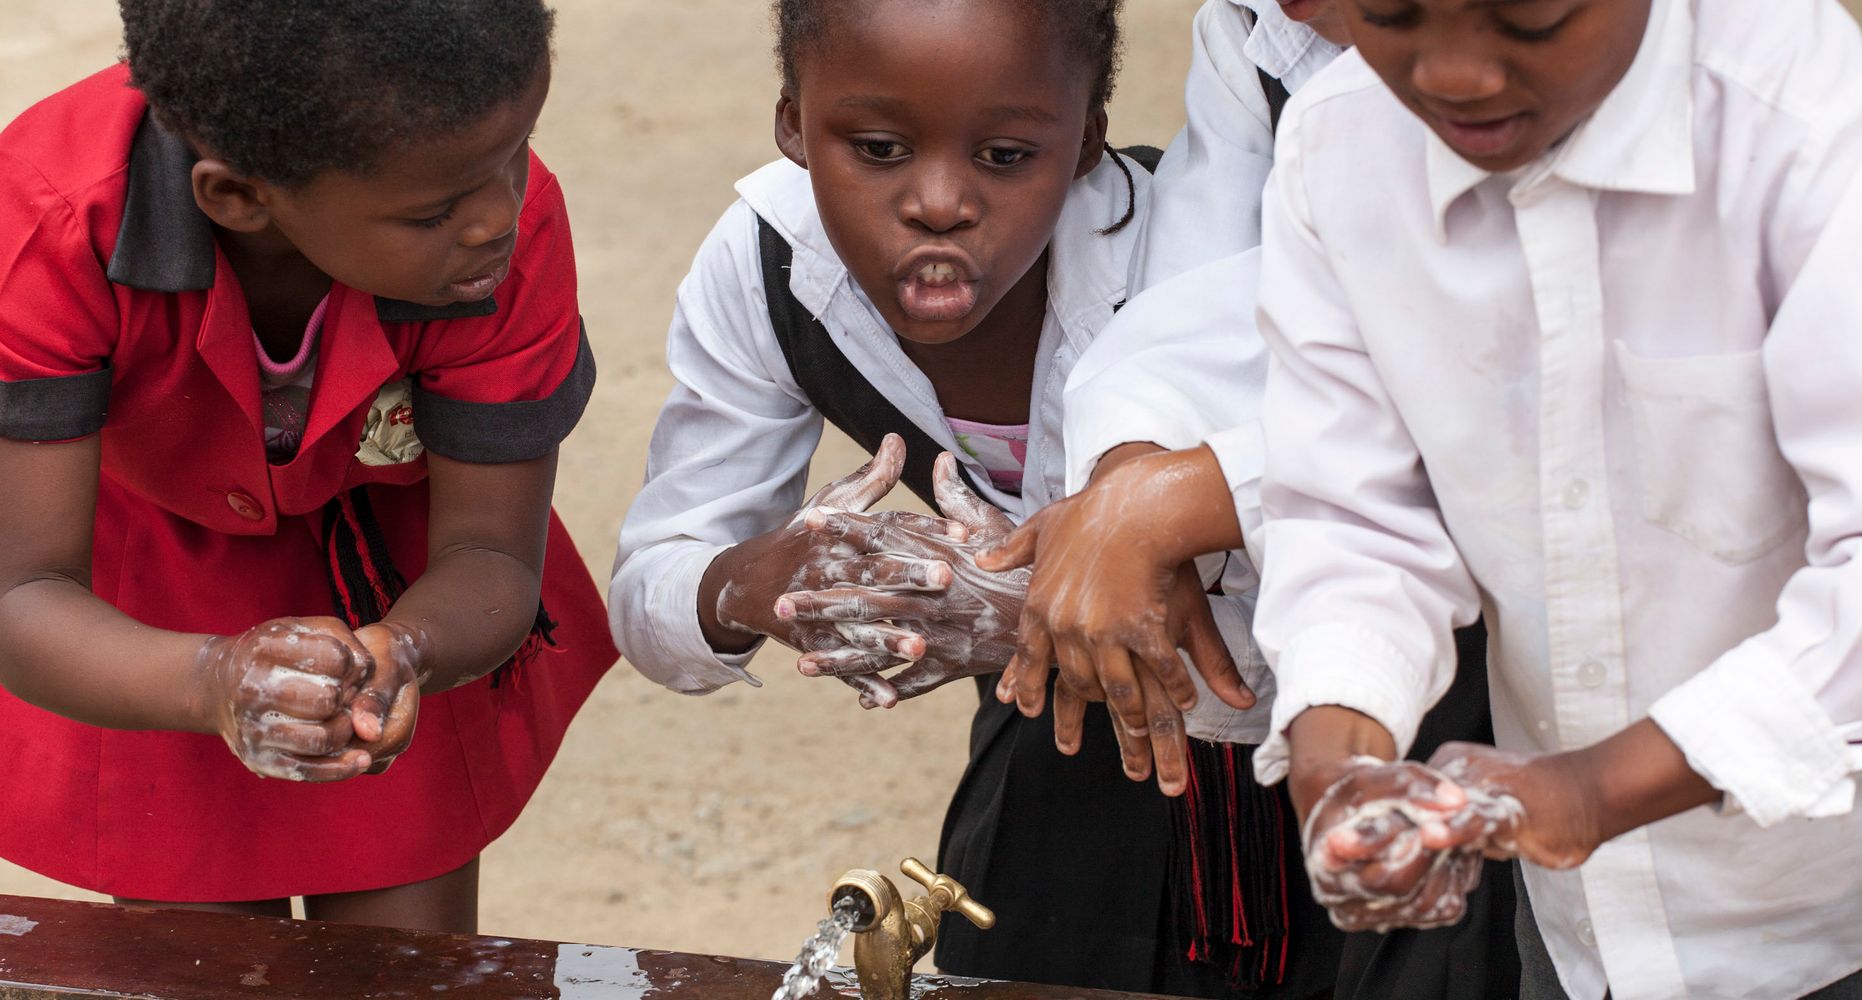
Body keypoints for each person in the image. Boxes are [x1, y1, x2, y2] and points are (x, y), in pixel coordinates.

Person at [611, 1, 1341, 994]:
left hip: (1320, 750)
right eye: (876, 147)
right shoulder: (768, 273)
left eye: (1004, 155)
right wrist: (769, 580)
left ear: (1083, 138)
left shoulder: (1181, 270)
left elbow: (1317, 571)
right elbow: (654, 585)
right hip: (1064, 761)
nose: (939, 201)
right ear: (790, 121)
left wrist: (1000, 606)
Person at [1238, 0, 1862, 997]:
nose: (1455, 75)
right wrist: (1340, 756)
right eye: (1391, 13)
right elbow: (1354, 520)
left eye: (1527, 16)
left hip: (1829, 919)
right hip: (1582, 941)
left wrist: (1590, 790)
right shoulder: (1336, 145)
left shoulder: (1809, 119)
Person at [0, 0, 615, 932]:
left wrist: (410, 651)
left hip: (392, 577)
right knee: (205, 958)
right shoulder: (51, 219)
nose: (501, 216)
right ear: (236, 197)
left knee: (404, 968)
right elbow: (25, 600)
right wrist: (215, 678)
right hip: (134, 611)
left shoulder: (492, 226)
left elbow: (491, 561)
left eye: (519, 149)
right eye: (435, 210)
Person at [978, 1, 1518, 997]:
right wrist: (1131, 477)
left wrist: (1182, 495)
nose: (1292, 8)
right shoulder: (1314, 78)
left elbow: (1487, 383)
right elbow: (1222, 318)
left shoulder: (1755, 119)